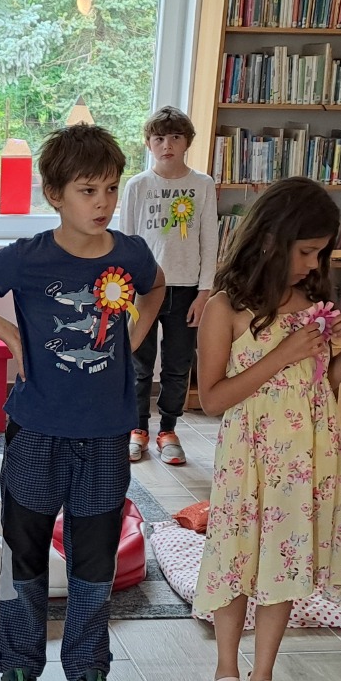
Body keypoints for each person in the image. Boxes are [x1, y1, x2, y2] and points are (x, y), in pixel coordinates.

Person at [0, 123, 165, 681]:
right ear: (55, 194)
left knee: (93, 566)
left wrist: (133, 338)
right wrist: (12, 336)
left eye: (111, 188)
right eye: (88, 190)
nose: (102, 202)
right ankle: (17, 675)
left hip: (106, 436)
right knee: (24, 559)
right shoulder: (28, 256)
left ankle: (90, 678)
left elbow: (156, 289)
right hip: (37, 431)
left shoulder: (131, 254)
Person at [192, 177, 341, 681]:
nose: (313, 264)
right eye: (306, 251)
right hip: (250, 458)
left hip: (305, 457)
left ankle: (263, 677)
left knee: (285, 562)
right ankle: (226, 675)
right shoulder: (226, 307)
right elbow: (213, 398)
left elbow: (320, 383)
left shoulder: (313, 305)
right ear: (270, 239)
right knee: (239, 557)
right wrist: (286, 352)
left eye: (320, 253)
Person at [119, 105, 218, 466]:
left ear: (187, 142)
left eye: (176, 137)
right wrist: (126, 291)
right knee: (139, 364)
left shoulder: (202, 185)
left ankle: (168, 430)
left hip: (187, 290)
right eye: (159, 138)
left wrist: (204, 293)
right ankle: (137, 428)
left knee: (177, 365)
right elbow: (126, 239)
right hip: (144, 290)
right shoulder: (138, 186)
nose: (167, 145)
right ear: (148, 143)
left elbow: (209, 240)